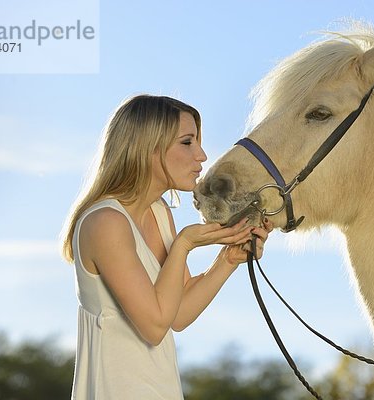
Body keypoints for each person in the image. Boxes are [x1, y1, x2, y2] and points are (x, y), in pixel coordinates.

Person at [60, 95, 271, 399]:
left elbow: (178, 314)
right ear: (148, 147)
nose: (201, 155)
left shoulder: (159, 213)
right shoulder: (105, 223)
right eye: (187, 142)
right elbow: (155, 326)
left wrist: (228, 259)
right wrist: (184, 244)